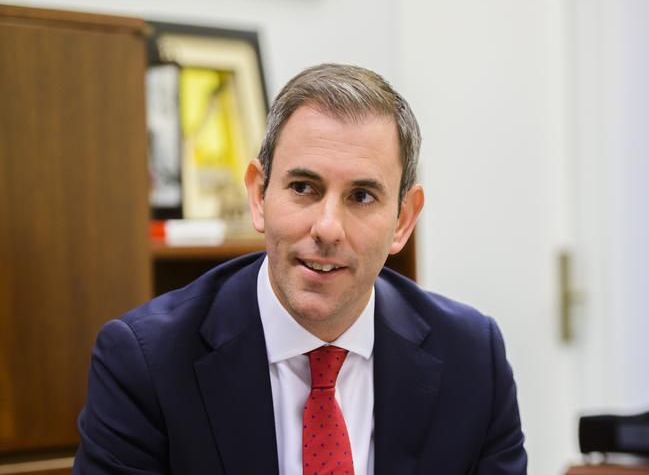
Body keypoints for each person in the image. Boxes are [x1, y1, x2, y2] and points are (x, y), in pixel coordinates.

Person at [73, 63, 527, 474]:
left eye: (362, 196)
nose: (327, 228)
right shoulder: (145, 364)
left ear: (403, 220)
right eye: (304, 187)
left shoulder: (472, 360)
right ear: (258, 196)